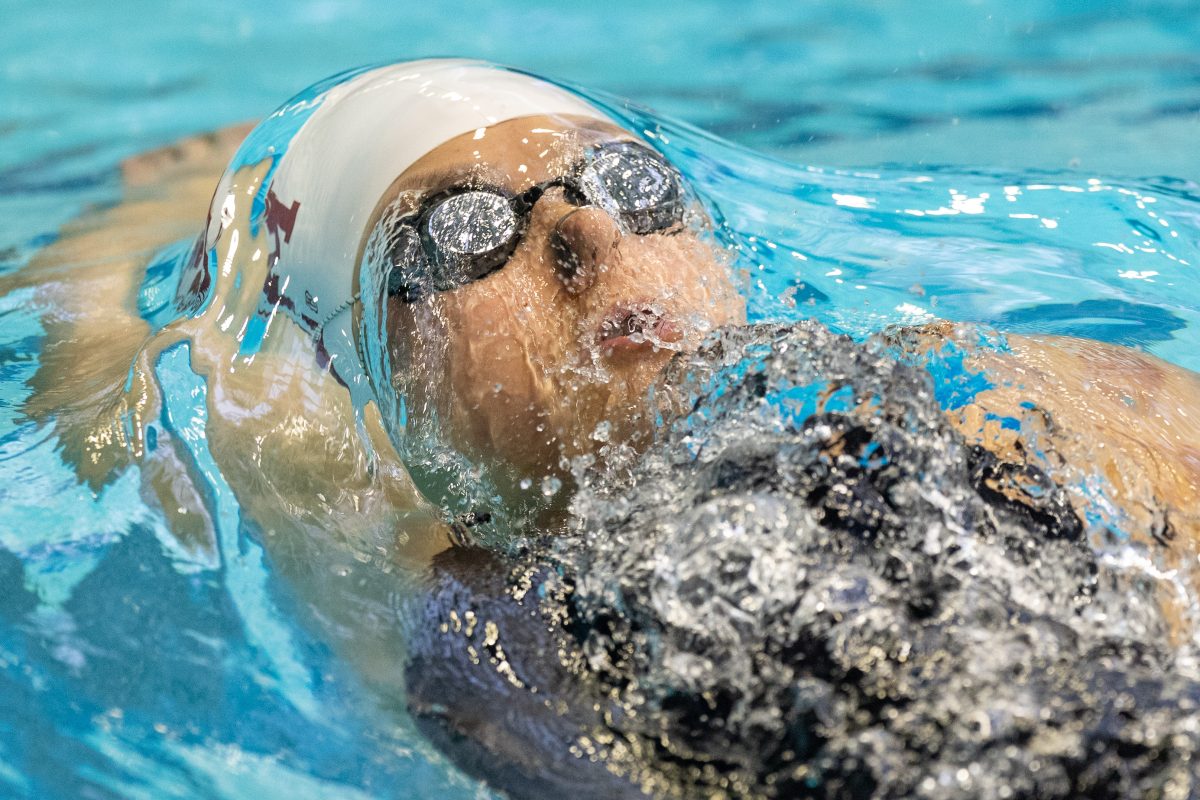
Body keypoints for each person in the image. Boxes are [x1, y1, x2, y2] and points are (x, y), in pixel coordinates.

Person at [5, 58, 1197, 570]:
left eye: (633, 184)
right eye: (466, 229)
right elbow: (111, 422)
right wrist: (144, 218)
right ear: (380, 385)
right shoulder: (436, 585)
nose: (588, 238)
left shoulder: (1004, 392)